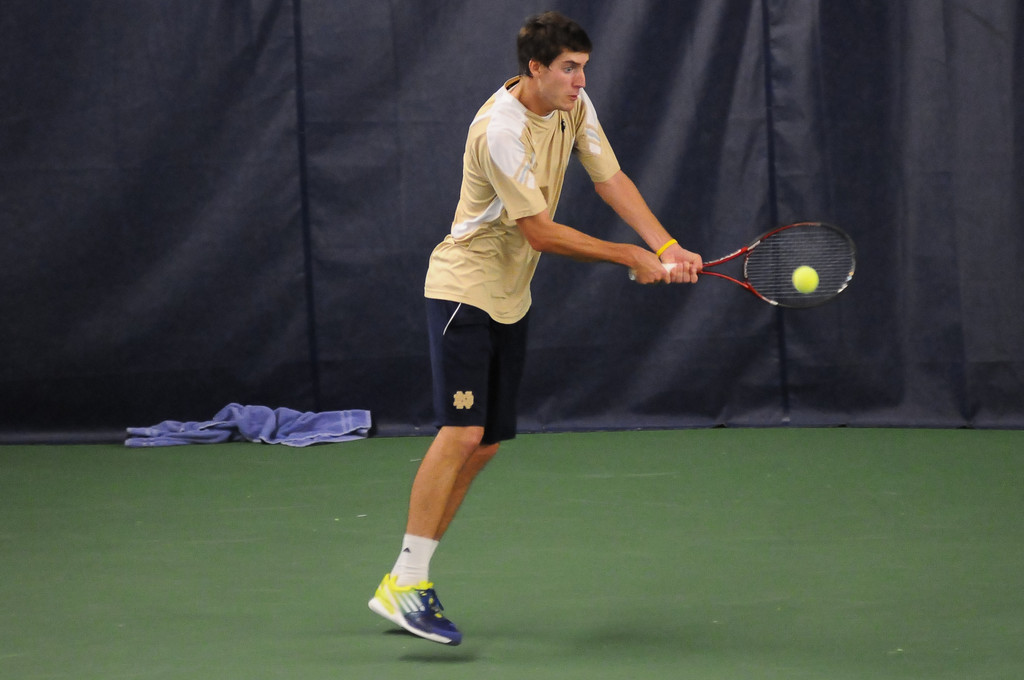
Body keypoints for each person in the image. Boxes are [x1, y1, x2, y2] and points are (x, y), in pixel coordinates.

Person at [368, 11, 702, 646]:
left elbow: (611, 180)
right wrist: (631, 257)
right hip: (464, 290)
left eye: (584, 69)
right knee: (461, 432)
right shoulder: (500, 129)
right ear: (536, 69)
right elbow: (540, 231)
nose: (580, 81)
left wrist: (667, 245)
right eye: (569, 70)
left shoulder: (574, 106)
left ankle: (405, 578)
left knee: (485, 444)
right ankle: (407, 584)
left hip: (511, 297)